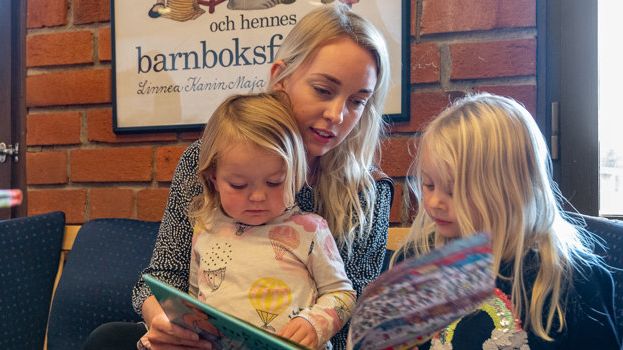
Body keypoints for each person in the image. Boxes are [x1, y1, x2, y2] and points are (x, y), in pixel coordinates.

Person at [84, 3, 393, 350]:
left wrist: (309, 328)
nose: (337, 114)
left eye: (357, 101)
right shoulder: (206, 160)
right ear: (280, 78)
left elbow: (357, 309)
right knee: (107, 339)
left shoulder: (367, 190)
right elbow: (160, 279)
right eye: (323, 90)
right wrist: (163, 322)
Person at [392, 93, 620, 349]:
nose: (434, 202)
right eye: (429, 184)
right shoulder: (414, 261)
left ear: (508, 192)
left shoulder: (575, 281)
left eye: (454, 191)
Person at [139, 92, 355, 349]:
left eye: (275, 182)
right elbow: (195, 302)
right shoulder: (206, 228)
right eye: (239, 185)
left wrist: (314, 324)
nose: (257, 196)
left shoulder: (311, 229)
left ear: (297, 174)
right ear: (213, 179)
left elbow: (343, 294)